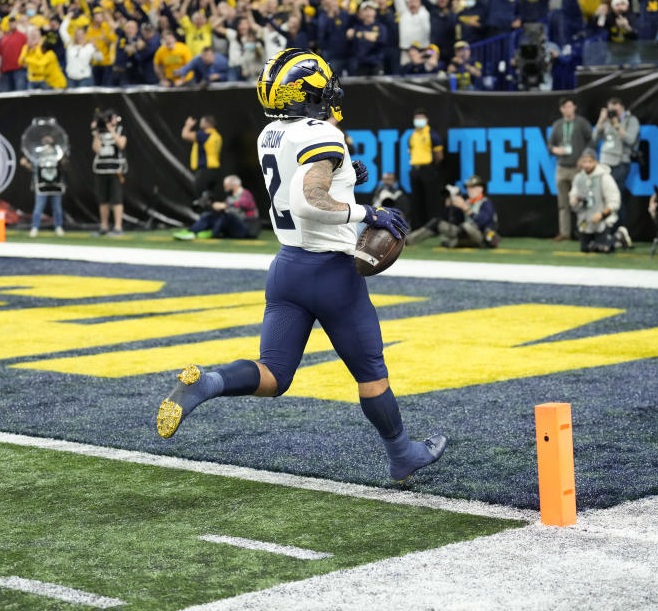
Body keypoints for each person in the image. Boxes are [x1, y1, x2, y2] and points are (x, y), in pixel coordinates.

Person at [156, 48, 446, 483]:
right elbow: (309, 199)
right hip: (331, 273)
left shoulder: (271, 133)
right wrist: (368, 213)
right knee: (371, 372)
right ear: (306, 91)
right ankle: (403, 454)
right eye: (323, 86)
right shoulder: (320, 134)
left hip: (287, 268)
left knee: (274, 375)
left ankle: (209, 384)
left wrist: (346, 176)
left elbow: (307, 181)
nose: (330, 93)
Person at [405, 175, 499, 248]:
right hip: (462, 233)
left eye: (472, 187)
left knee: (466, 227)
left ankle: (454, 242)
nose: (469, 190)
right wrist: (450, 207)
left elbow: (483, 222)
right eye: (468, 187)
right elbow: (453, 222)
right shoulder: (466, 202)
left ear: (480, 189)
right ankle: (408, 240)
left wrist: (466, 208)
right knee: (437, 223)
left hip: (481, 236)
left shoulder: (485, 203)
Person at [547, 96, 594, 241]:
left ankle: (583, 231)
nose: (568, 109)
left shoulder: (581, 123)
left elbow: (591, 141)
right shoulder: (558, 125)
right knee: (563, 204)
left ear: (575, 107)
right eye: (565, 107)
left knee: (580, 201)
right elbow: (550, 144)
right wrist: (555, 150)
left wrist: (584, 159)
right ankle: (565, 233)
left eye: (570, 106)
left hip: (577, 168)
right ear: (561, 109)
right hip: (561, 167)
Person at [594, 97, 638, 246]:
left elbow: (631, 140)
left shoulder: (631, 120)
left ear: (622, 107)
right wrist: (601, 121)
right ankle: (610, 232)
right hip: (605, 163)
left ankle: (620, 231)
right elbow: (594, 139)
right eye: (610, 109)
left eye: (616, 109)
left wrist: (617, 125)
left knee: (616, 198)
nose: (613, 113)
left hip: (621, 162)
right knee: (605, 198)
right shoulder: (605, 121)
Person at [173, 175, 260, 240]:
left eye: (226, 185)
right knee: (209, 215)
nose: (225, 188)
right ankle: (191, 232)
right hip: (232, 226)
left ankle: (212, 233)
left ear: (233, 185)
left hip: (245, 227)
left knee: (227, 216)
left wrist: (224, 205)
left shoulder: (246, 194)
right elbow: (225, 207)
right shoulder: (230, 197)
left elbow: (242, 203)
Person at [570, 149, 622, 253]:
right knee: (585, 249)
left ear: (596, 162)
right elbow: (573, 196)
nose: (587, 165)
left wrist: (602, 214)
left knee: (603, 249)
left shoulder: (604, 177)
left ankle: (619, 236)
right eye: (584, 161)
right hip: (585, 221)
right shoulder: (579, 178)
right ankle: (596, 242)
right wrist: (575, 201)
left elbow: (614, 200)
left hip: (602, 220)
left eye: (590, 161)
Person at [20, 134, 66, 238]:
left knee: (57, 208)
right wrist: (26, 164)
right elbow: (33, 169)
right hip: (41, 185)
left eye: (50, 137)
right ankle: (35, 227)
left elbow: (65, 164)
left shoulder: (58, 152)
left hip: (55, 184)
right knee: (38, 207)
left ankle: (58, 226)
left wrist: (63, 156)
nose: (47, 139)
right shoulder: (37, 154)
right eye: (45, 137)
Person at [91, 109, 128, 236]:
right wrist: (96, 132)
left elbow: (121, 144)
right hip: (101, 169)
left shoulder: (119, 129)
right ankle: (104, 226)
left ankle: (118, 227)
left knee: (116, 199)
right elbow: (96, 149)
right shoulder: (99, 132)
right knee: (103, 199)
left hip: (115, 169)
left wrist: (111, 130)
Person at [408, 108, 444, 228]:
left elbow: (439, 156)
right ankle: (418, 226)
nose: (419, 120)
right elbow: (411, 152)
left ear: (427, 119)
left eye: (421, 118)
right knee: (416, 199)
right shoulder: (412, 135)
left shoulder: (432, 135)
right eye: (417, 118)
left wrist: (431, 167)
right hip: (415, 169)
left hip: (427, 169)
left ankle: (432, 227)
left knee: (431, 199)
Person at [181, 115, 223, 205]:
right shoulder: (217, 136)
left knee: (201, 198)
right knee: (210, 198)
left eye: (202, 121)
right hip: (215, 172)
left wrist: (188, 125)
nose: (200, 123)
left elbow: (185, 135)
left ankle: (206, 216)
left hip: (205, 171)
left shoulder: (203, 135)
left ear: (207, 123)